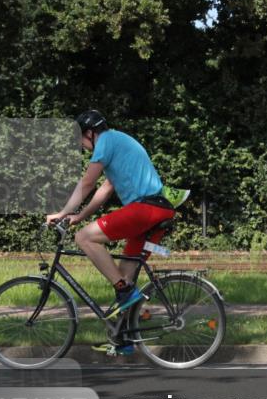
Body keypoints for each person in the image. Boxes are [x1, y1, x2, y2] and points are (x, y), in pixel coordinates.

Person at [46, 110, 176, 352]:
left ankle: (125, 291)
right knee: (124, 276)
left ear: (90, 133)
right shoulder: (116, 142)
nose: (83, 147)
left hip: (146, 209)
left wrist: (62, 213)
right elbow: (104, 190)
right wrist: (78, 216)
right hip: (156, 210)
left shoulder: (105, 141)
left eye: (81, 141)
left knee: (84, 238)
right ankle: (123, 340)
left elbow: (87, 183)